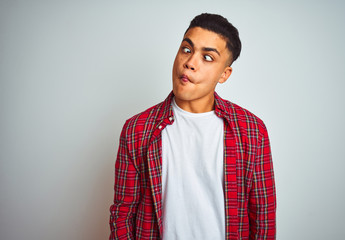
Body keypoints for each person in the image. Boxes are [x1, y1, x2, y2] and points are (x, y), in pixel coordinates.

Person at [109, 13, 276, 240]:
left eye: (207, 57)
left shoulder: (251, 131)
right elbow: (122, 214)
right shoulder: (137, 129)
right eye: (187, 49)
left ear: (224, 74)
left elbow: (263, 218)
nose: (190, 62)